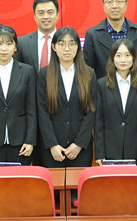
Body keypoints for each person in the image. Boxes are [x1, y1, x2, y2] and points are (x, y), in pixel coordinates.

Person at [0, 26, 37, 166]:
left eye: (9, 44)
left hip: (20, 143)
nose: (4, 48)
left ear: (15, 47)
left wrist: (30, 141)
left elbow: (31, 110)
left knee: (18, 179)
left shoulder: (27, 71)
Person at [38, 26, 98, 168]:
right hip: (52, 149)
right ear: (54, 47)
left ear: (78, 47)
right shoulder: (44, 74)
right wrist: (52, 144)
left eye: (72, 44)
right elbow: (42, 112)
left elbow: (91, 111)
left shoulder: (89, 74)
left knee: (79, 182)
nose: (67, 48)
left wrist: (79, 144)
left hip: (80, 148)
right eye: (62, 44)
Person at [95, 39, 137, 165]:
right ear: (112, 58)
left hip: (135, 151)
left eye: (127, 55)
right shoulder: (102, 84)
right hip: (109, 151)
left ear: (133, 58)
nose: (123, 60)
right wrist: (100, 153)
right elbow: (98, 121)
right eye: (118, 55)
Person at [83, 0, 137, 80]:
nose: (114, 6)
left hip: (135, 87)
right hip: (103, 88)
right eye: (109, 2)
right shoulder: (92, 34)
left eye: (119, 1)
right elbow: (88, 70)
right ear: (103, 5)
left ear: (126, 4)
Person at [17, 0, 60, 74]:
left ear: (57, 15)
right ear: (34, 16)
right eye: (41, 13)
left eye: (50, 12)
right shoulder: (22, 42)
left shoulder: (65, 41)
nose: (45, 16)